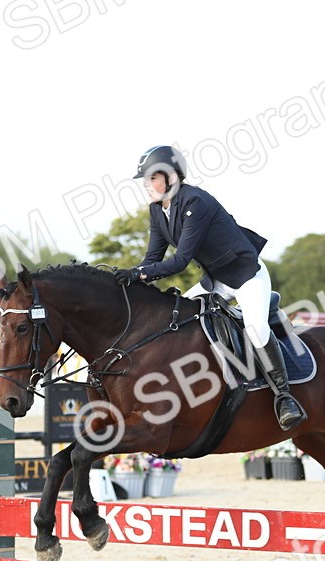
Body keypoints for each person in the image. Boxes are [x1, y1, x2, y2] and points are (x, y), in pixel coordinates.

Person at [114, 145, 307, 431]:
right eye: (145, 179)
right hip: (216, 281)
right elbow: (153, 257)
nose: (146, 185)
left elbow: (180, 261)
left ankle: (284, 397)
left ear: (171, 177)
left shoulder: (196, 202)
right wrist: (132, 276)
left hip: (246, 276)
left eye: (152, 178)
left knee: (256, 329)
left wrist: (140, 275)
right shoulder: (157, 210)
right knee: (175, 320)